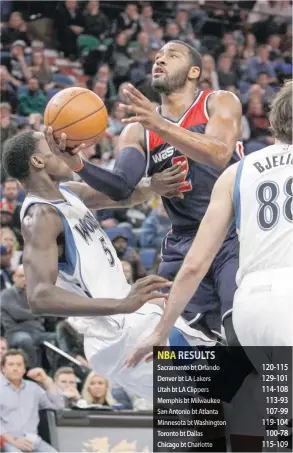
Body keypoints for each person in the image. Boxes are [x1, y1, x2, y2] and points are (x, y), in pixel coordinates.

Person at [2, 130, 215, 400]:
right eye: (52, 146)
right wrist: (122, 304)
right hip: (114, 335)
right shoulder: (40, 215)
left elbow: (123, 196)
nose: (63, 149)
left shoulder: (68, 193)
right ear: (38, 161)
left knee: (212, 386)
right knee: (211, 392)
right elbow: (39, 296)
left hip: (128, 322)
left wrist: (153, 185)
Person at [59, 40, 243, 339]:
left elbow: (219, 153)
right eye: (157, 57)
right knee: (166, 336)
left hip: (234, 231)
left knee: (239, 326)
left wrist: (160, 124)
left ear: (194, 71)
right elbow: (120, 187)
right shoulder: (139, 129)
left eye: (172, 55)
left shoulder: (218, 102)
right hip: (184, 239)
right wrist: (77, 163)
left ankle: (274, 384)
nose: (160, 60)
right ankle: (191, 386)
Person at [126, 80, 293, 365]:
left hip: (251, 307)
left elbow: (193, 265)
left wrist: (159, 332)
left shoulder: (236, 173)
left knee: (266, 400)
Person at [0, 349, 64, 452]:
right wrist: (14, 441)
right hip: (8, 441)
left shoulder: (33, 389)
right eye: (11, 364)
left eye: (19, 365)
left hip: (33, 441)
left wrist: (46, 380)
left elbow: (58, 405)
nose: (15, 368)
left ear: (24, 369)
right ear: (3, 368)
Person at [1, 264, 56, 368]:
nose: (25, 279)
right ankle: (33, 371)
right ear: (14, 277)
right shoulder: (6, 294)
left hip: (38, 332)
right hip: (15, 333)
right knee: (25, 340)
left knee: (58, 337)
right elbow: (18, 314)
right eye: (21, 276)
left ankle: (55, 371)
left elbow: (50, 314)